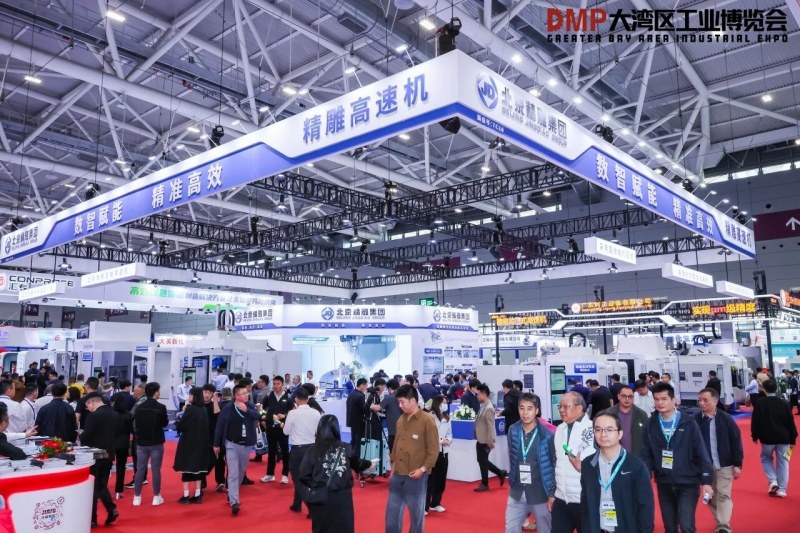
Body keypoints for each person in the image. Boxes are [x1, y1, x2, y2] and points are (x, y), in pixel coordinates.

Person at [641, 382, 713, 533]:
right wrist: (644, 478)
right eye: (656, 399)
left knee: (686, 525)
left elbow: (701, 452)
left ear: (673, 400)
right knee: (670, 527)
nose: (660, 403)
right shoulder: (650, 424)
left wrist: (706, 481)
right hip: (664, 482)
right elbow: (646, 454)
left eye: (664, 399)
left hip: (688, 482)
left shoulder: (689, 423)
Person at [580, 411, 654, 533]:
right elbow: (585, 503)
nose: (603, 434)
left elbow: (646, 507)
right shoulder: (588, 464)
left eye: (609, 430)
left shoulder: (636, 466)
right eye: (598, 430)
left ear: (620, 434)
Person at [385, 384, 439, 533]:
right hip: (398, 474)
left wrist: (423, 469)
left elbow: (434, 450)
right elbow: (396, 446)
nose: (400, 406)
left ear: (413, 400)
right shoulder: (400, 420)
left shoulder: (427, 421)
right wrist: (393, 468)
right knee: (392, 515)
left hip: (416, 476)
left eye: (402, 402)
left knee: (416, 516)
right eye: (399, 402)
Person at [299, 414, 361, 533]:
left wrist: (316, 484)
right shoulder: (346, 447)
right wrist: (369, 464)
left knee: (322, 528)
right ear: (336, 429)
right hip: (343, 498)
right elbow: (357, 464)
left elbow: (303, 476)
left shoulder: (313, 450)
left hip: (321, 497)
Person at [504, 393, 556, 533]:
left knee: (545, 530)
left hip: (540, 493)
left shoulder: (548, 435)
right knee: (510, 529)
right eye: (522, 408)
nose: (525, 413)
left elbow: (554, 465)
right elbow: (512, 457)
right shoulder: (513, 430)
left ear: (537, 411)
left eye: (529, 408)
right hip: (517, 492)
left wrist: (552, 494)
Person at [695, 387, 743, 533]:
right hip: (704, 467)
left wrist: (737, 464)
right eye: (700, 400)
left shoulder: (726, 419)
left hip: (724, 464)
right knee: (710, 496)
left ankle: (723, 526)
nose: (701, 403)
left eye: (705, 400)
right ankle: (720, 521)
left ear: (715, 401)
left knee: (723, 494)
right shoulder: (695, 420)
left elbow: (736, 441)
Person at [214, 383, 261, 516]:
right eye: (244, 393)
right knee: (233, 473)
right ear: (236, 395)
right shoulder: (228, 408)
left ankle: (231, 492)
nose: (247, 395)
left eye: (247, 393)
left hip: (246, 445)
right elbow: (220, 426)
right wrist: (216, 444)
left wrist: (247, 410)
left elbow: (257, 416)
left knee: (241, 472)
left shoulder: (249, 406)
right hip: (231, 444)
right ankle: (234, 501)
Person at [552, 391, 595, 533]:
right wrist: (553, 493)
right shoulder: (560, 429)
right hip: (561, 498)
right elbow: (556, 462)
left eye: (566, 406)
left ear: (579, 408)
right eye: (560, 406)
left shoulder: (592, 429)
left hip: (584, 499)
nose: (561, 410)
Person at [751, 378, 797, 498]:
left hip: (767, 438)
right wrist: (793, 438)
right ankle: (782, 490)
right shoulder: (785, 403)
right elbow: (790, 422)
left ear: (764, 390)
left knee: (766, 458)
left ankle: (773, 480)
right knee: (783, 462)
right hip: (784, 437)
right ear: (776, 389)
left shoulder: (760, 403)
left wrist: (754, 435)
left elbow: (756, 420)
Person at [80, 393, 120, 527]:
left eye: (87, 407)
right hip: (109, 453)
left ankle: (93, 518)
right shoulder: (114, 414)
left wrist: (81, 435)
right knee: (101, 484)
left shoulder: (94, 416)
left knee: (94, 486)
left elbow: (87, 436)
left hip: (95, 454)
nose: (88, 409)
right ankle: (110, 509)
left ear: (92, 402)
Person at [284, 385, 321, 514]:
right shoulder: (316, 412)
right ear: (307, 398)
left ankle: (311, 505)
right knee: (309, 477)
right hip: (313, 448)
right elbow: (318, 431)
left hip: (298, 449)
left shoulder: (293, 413)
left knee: (298, 478)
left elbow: (286, 431)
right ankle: (296, 504)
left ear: (296, 399)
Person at [132, 382, 168, 507]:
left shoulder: (139, 407)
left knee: (140, 470)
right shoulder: (161, 407)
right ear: (156, 392)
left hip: (141, 442)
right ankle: (156, 497)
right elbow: (164, 423)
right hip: (156, 442)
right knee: (156, 469)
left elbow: (135, 424)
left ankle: (137, 497)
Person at [174, 387, 210, 504]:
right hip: (201, 442)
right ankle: (198, 494)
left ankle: (186, 495)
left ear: (194, 396)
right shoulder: (203, 409)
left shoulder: (190, 409)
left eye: (190, 395)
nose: (188, 397)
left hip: (188, 442)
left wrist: (179, 419)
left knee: (186, 469)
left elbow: (181, 426)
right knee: (198, 469)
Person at [474, 383, 507, 491]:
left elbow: (491, 426)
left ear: (484, 394)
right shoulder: (484, 405)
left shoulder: (489, 408)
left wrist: (490, 441)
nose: (477, 396)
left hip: (485, 440)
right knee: (482, 460)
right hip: (481, 438)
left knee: (482, 461)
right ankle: (500, 473)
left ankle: (485, 483)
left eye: (478, 394)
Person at [260, 375, 292, 483]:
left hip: (283, 428)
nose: (275, 386)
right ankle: (270, 474)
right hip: (270, 427)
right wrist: (263, 419)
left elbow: (293, 411)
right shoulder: (269, 396)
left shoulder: (288, 396)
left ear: (282, 384)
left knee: (285, 451)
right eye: (274, 383)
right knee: (271, 451)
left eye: (278, 384)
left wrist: (285, 415)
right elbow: (262, 408)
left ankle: (285, 475)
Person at [604, 385, 648, 456]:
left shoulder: (642, 415)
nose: (627, 399)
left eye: (630, 396)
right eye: (624, 396)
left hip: (635, 457)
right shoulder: (608, 414)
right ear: (618, 396)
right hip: (613, 456)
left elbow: (646, 439)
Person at [425, 395, 452, 513]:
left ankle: (436, 503)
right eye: (443, 403)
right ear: (438, 404)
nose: (445, 405)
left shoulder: (447, 418)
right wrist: (441, 440)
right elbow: (427, 435)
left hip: (444, 452)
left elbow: (450, 433)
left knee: (441, 479)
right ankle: (425, 506)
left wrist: (448, 440)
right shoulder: (429, 417)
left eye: (446, 403)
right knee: (430, 479)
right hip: (433, 452)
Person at [111, 392, 132, 500]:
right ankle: (119, 490)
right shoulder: (128, 414)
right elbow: (131, 429)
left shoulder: (111, 414)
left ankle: (102, 489)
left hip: (110, 443)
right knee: (121, 467)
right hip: (123, 443)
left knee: (106, 467)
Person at [346, 378, 369, 460]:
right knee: (358, 441)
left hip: (352, 420)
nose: (366, 388)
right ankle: (356, 458)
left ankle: (351, 456)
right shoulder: (360, 396)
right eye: (366, 386)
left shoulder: (351, 394)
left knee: (354, 439)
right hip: (359, 421)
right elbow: (364, 409)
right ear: (362, 385)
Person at [380, 378, 402, 452]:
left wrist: (371, 406)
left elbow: (378, 408)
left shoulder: (389, 398)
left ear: (389, 388)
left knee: (392, 451)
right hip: (403, 429)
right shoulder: (403, 397)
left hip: (393, 430)